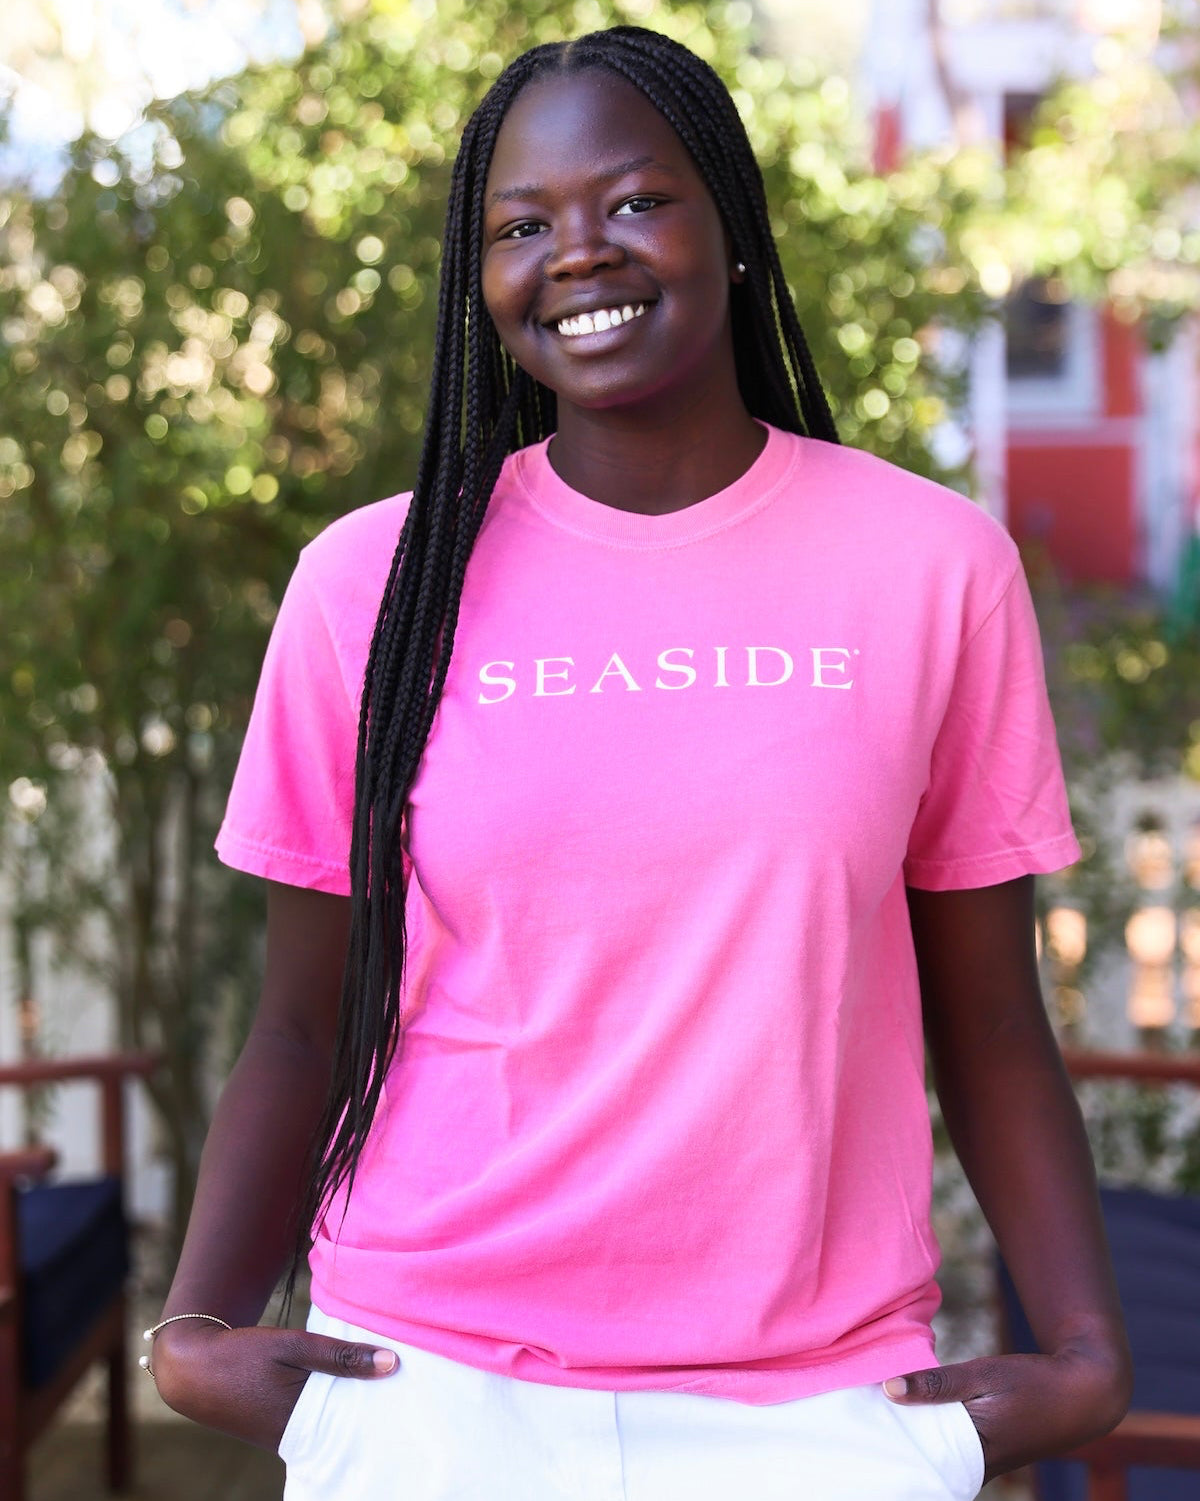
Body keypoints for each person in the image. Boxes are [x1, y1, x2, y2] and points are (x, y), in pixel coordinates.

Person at [149, 25, 1131, 1500]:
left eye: (634, 201)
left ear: (725, 221)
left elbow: (989, 1018)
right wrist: (194, 1326)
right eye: (522, 225)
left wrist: (1088, 1349)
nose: (579, 254)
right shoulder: (372, 584)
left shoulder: (930, 568)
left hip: (816, 1407)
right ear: (479, 280)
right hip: (432, 1390)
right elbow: (300, 1021)